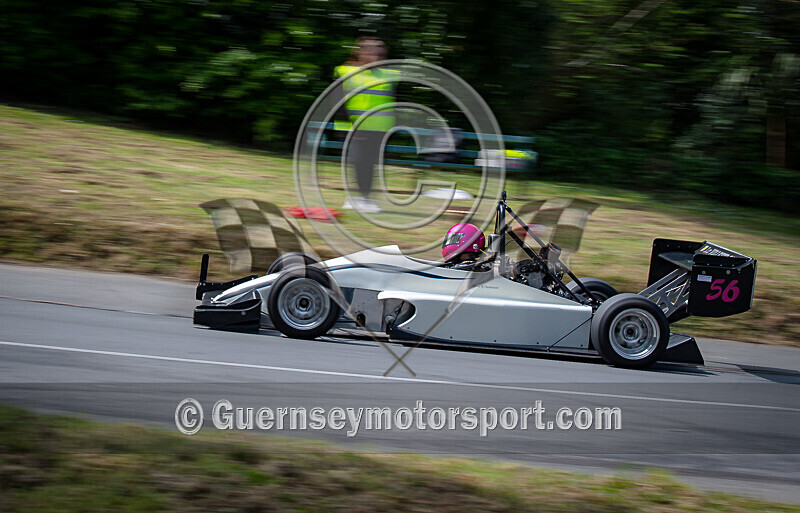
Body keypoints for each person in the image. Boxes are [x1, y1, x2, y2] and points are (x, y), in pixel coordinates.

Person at [333, 37, 398, 213]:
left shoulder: (389, 75)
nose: (374, 57)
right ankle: (356, 198)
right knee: (357, 162)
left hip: (379, 128)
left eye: (378, 54)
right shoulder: (345, 72)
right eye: (370, 52)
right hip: (353, 128)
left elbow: (393, 102)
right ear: (359, 53)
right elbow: (338, 103)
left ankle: (365, 198)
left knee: (369, 164)